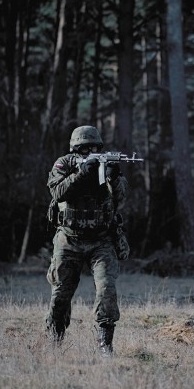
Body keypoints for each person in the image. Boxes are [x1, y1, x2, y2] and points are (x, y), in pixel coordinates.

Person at [45, 125, 129, 355]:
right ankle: (55, 339)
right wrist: (81, 173)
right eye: (85, 150)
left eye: (94, 149)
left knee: (106, 288)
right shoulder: (63, 164)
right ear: (76, 149)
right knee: (61, 292)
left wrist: (114, 177)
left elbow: (120, 201)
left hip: (101, 240)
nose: (90, 153)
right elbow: (58, 192)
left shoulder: (106, 168)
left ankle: (105, 343)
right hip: (68, 239)